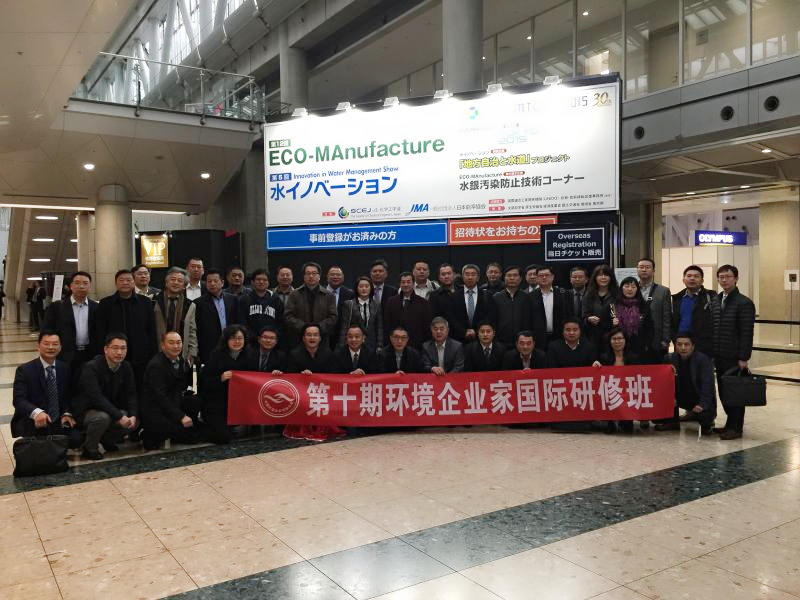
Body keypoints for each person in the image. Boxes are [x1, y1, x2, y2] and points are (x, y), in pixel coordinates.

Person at [73, 333, 138, 459]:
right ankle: (89, 448)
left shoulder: (126, 366)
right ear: (106, 349)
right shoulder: (91, 367)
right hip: (87, 410)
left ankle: (106, 439)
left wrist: (133, 415)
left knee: (132, 420)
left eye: (123, 348)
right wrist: (119, 416)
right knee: (102, 418)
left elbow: (131, 394)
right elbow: (96, 398)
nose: (119, 352)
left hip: (109, 409)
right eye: (115, 348)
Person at [11, 331, 81, 448]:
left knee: (76, 439)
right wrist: (37, 412)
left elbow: (68, 395)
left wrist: (66, 413)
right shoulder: (24, 370)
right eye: (46, 343)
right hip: (35, 420)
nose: (51, 347)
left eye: (55, 344)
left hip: (57, 419)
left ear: (60, 347)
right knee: (42, 443)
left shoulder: (64, 368)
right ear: (38, 346)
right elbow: (19, 400)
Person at [711, 264, 755, 440]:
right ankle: (730, 424)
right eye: (721, 277)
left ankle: (736, 428)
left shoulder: (744, 302)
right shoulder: (716, 300)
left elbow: (746, 333)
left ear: (736, 279)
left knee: (735, 392)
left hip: (734, 356)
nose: (724, 280)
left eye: (728, 277)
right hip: (718, 354)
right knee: (723, 391)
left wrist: (743, 357)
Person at [96, 269, 158, 389]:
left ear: (134, 282)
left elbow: (151, 330)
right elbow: (100, 331)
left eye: (128, 280)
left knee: (140, 387)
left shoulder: (145, 302)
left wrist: (152, 353)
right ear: (116, 283)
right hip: (114, 356)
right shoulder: (105, 303)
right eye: (121, 280)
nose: (125, 283)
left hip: (140, 355)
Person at [139, 332, 201, 450]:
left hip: (172, 403)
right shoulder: (156, 365)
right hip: (155, 409)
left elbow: (179, 388)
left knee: (194, 401)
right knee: (189, 435)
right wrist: (181, 416)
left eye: (178, 343)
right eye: (171, 343)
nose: (176, 346)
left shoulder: (180, 360)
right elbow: (160, 397)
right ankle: (147, 433)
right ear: (163, 346)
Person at [284, 324, 344, 442]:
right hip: (302, 394)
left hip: (323, 394)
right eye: (309, 335)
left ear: (320, 338)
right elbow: (290, 376)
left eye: (315, 335)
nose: (312, 338)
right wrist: (301, 375)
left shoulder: (328, 354)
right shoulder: (294, 354)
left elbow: (334, 375)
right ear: (303, 338)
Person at [42, 270, 99, 389]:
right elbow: (47, 331)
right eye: (77, 283)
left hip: (90, 355)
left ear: (90, 286)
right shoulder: (57, 307)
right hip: (65, 355)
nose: (81, 286)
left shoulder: (96, 307)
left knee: (88, 387)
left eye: (85, 283)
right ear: (71, 286)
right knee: (66, 387)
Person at [655, 332, 716, 435]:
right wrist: (669, 398)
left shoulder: (703, 360)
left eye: (686, 344)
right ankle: (672, 422)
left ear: (693, 346)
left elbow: (708, 385)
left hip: (697, 397)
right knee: (657, 417)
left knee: (704, 417)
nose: (683, 348)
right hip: (680, 396)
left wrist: (702, 404)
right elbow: (663, 383)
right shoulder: (669, 359)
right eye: (679, 344)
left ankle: (708, 424)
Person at [199, 325, 250, 444]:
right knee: (222, 437)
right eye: (233, 338)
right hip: (216, 404)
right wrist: (220, 378)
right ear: (226, 340)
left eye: (240, 338)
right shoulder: (216, 355)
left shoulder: (249, 355)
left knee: (238, 433)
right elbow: (203, 382)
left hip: (238, 404)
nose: (237, 341)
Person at [592, 327, 640, 434]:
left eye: (620, 338)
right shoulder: (603, 358)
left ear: (625, 340)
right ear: (609, 341)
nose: (617, 341)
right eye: (614, 339)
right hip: (610, 394)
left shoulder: (633, 358)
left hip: (627, 395)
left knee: (627, 430)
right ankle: (611, 421)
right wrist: (596, 366)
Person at [285, 261, 338, 348]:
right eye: (308, 273)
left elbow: (333, 317)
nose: (311, 276)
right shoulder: (294, 294)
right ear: (304, 276)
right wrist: (304, 327)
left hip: (322, 339)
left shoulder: (329, 295)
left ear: (319, 276)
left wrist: (318, 328)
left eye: (314, 273)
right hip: (299, 338)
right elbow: (288, 316)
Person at [152, 267, 198, 364]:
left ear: (184, 286)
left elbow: (192, 331)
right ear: (166, 283)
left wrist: (192, 351)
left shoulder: (190, 305)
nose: (176, 282)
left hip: (180, 351)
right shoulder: (153, 301)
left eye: (180, 281)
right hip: (157, 349)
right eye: (173, 279)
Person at [195, 268, 239, 367]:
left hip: (230, 343)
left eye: (215, 281)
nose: (212, 284)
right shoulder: (199, 303)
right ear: (206, 284)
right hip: (208, 346)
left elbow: (237, 322)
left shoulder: (233, 299)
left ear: (222, 283)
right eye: (209, 281)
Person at [671, 265, 716, 357]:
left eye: (696, 276)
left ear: (702, 280)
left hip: (703, 347)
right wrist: (674, 338)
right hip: (681, 345)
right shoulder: (676, 298)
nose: (692, 278)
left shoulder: (711, 297)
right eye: (689, 276)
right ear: (683, 280)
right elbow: (672, 322)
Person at [383, 272, 432, 349]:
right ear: (399, 284)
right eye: (403, 282)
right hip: (395, 344)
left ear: (413, 284)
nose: (406, 285)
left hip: (417, 345)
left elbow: (426, 327)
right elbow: (387, 325)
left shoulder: (423, 303)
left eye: (408, 282)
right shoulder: (391, 302)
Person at [637, 258, 672, 362]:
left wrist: (666, 340)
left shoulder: (663, 291)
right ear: (637, 270)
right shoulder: (630, 289)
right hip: (635, 340)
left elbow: (667, 317)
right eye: (641, 267)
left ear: (653, 271)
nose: (644, 270)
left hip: (656, 341)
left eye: (647, 267)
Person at [450, 264, 494, 343]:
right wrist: (464, 332)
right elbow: (452, 318)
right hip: (459, 339)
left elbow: (490, 316)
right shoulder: (454, 296)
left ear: (478, 278)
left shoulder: (487, 295)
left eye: (473, 274)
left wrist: (476, 331)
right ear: (462, 277)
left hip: (481, 338)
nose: (470, 277)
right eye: (467, 274)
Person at [531, 266, 571, 351]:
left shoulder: (563, 294)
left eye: (547, 275)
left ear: (552, 277)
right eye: (541, 275)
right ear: (537, 278)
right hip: (538, 338)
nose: (544, 277)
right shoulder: (531, 296)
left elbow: (569, 315)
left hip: (559, 336)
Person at [238, 268, 284, 342]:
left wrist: (272, 337)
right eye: (258, 279)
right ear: (252, 282)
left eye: (265, 280)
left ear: (268, 283)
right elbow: (242, 322)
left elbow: (280, 322)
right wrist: (254, 337)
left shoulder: (276, 299)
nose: (261, 282)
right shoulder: (244, 299)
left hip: (271, 340)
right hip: (251, 341)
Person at [338, 276, 383, 351]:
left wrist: (379, 345)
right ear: (356, 288)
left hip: (371, 344)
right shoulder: (349, 304)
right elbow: (344, 326)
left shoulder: (376, 304)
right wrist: (342, 345)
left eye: (367, 286)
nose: (364, 289)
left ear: (371, 288)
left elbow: (379, 327)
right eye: (361, 286)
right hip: (353, 342)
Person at [614, 277, 654, 359]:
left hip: (639, 348)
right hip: (617, 348)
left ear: (637, 289)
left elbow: (650, 328)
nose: (630, 289)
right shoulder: (614, 305)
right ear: (621, 288)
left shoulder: (643, 306)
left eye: (633, 287)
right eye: (626, 286)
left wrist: (647, 345)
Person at [492, 266, 533, 347]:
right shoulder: (496, 297)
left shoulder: (526, 297)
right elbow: (493, 320)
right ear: (504, 278)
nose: (512, 278)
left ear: (520, 279)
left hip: (522, 342)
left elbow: (529, 321)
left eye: (515, 275)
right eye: (509, 275)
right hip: (501, 342)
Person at [582, 264, 619, 349]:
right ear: (595, 278)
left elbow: (620, 313)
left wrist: (618, 319)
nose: (603, 277)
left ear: (611, 277)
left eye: (606, 275)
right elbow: (584, 316)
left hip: (613, 335)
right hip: (593, 336)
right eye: (600, 275)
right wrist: (589, 319)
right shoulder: (588, 295)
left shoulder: (617, 293)